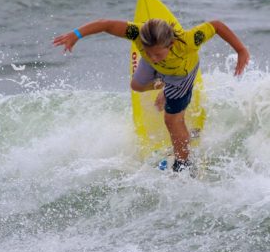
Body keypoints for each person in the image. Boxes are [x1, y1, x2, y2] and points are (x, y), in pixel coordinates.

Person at [53, 17, 250, 172]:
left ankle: (184, 163)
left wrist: (241, 50)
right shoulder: (138, 35)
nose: (152, 56)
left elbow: (216, 25)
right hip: (161, 71)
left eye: (157, 53)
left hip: (181, 75)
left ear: (171, 44)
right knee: (137, 86)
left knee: (172, 120)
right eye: (148, 52)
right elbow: (107, 24)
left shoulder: (188, 41)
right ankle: (163, 85)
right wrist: (76, 34)